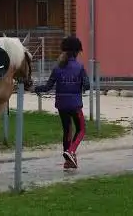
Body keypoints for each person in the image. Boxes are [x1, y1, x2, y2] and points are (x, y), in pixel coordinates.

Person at [34, 36, 90, 169]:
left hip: (61, 105)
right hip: (75, 105)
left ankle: (68, 161)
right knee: (81, 129)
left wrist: (36, 88)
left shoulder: (57, 68)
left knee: (67, 131)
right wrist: (81, 84)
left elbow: (47, 87)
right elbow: (87, 86)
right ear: (76, 52)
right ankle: (70, 152)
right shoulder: (80, 67)